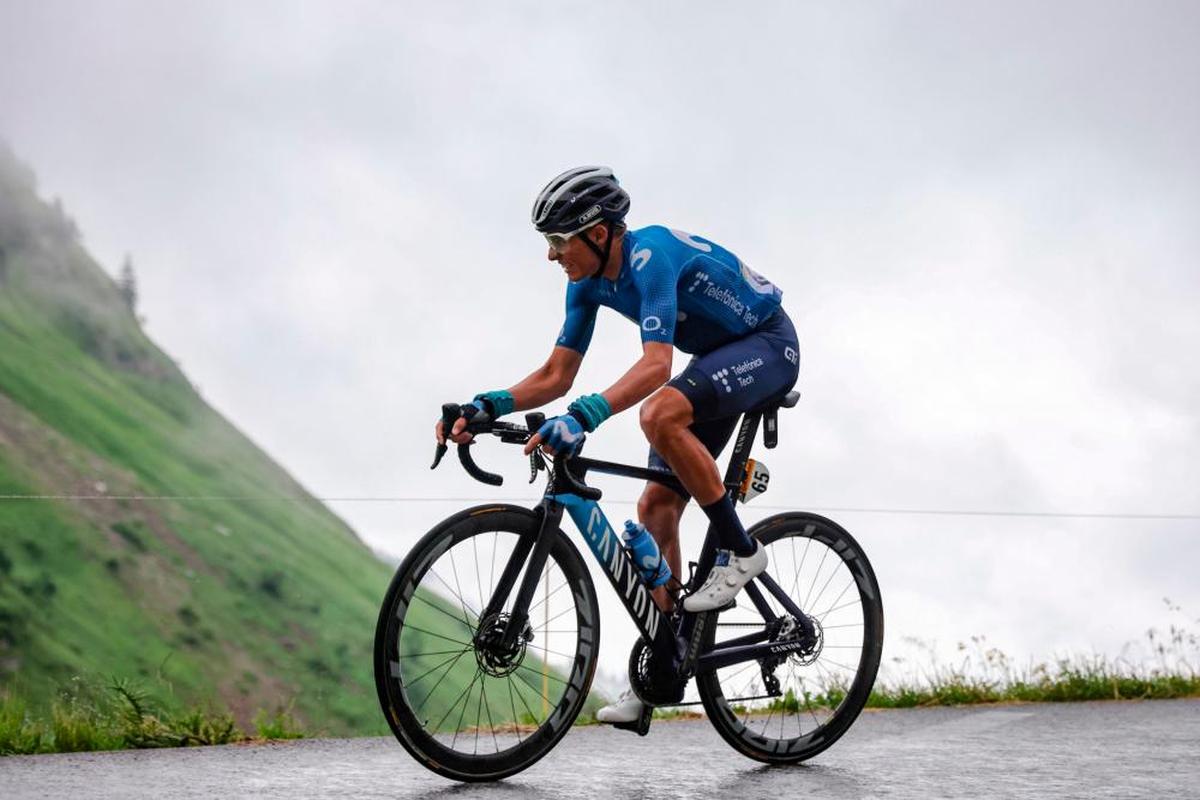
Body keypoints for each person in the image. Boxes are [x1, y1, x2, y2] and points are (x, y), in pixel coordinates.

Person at [435, 165, 800, 725]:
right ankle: (668, 661)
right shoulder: (583, 284)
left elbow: (658, 364)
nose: (552, 255)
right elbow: (557, 373)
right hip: (717, 361)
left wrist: (586, 416)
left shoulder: (650, 257)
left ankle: (741, 549)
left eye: (559, 241)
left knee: (659, 413)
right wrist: (485, 405)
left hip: (767, 344)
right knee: (654, 506)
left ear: (599, 234)